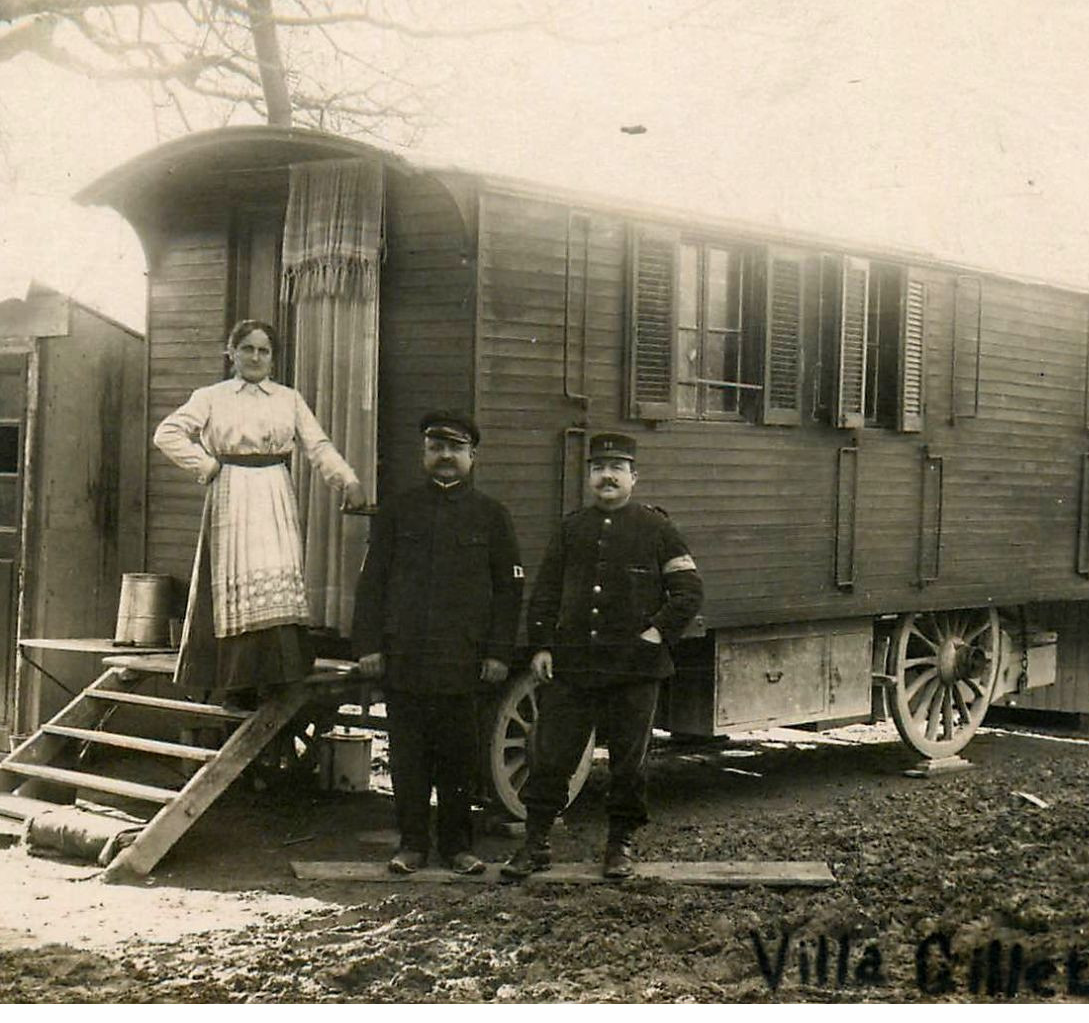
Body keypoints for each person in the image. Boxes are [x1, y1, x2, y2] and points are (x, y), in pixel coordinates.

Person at [503, 432, 703, 881]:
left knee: (628, 765)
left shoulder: (657, 529)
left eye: (617, 468)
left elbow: (689, 591)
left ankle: (620, 846)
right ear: (589, 476)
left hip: (634, 670)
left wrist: (656, 632)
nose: (607, 476)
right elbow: (546, 594)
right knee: (550, 756)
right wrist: (541, 646)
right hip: (574, 666)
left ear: (634, 477)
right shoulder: (572, 528)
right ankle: (535, 845)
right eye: (598, 469)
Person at [153, 319, 366, 697]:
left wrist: (346, 479)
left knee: (275, 569)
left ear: (272, 358)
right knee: (237, 574)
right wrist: (205, 465)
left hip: (274, 491)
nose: (255, 357)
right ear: (231, 353)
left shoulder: (288, 399)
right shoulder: (211, 396)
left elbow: (317, 446)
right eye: (247, 349)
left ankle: (281, 671)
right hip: (232, 492)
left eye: (263, 350)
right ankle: (236, 678)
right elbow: (167, 433)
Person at [353, 411, 523, 875]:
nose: (446, 457)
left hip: (463, 659)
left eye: (455, 449)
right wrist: (369, 645)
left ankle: (457, 847)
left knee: (459, 759)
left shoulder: (492, 516)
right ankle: (411, 844)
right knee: (407, 757)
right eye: (436, 448)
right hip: (406, 655)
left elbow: (509, 591)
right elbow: (372, 583)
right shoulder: (397, 511)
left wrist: (497, 652)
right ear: (424, 455)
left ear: (472, 456)